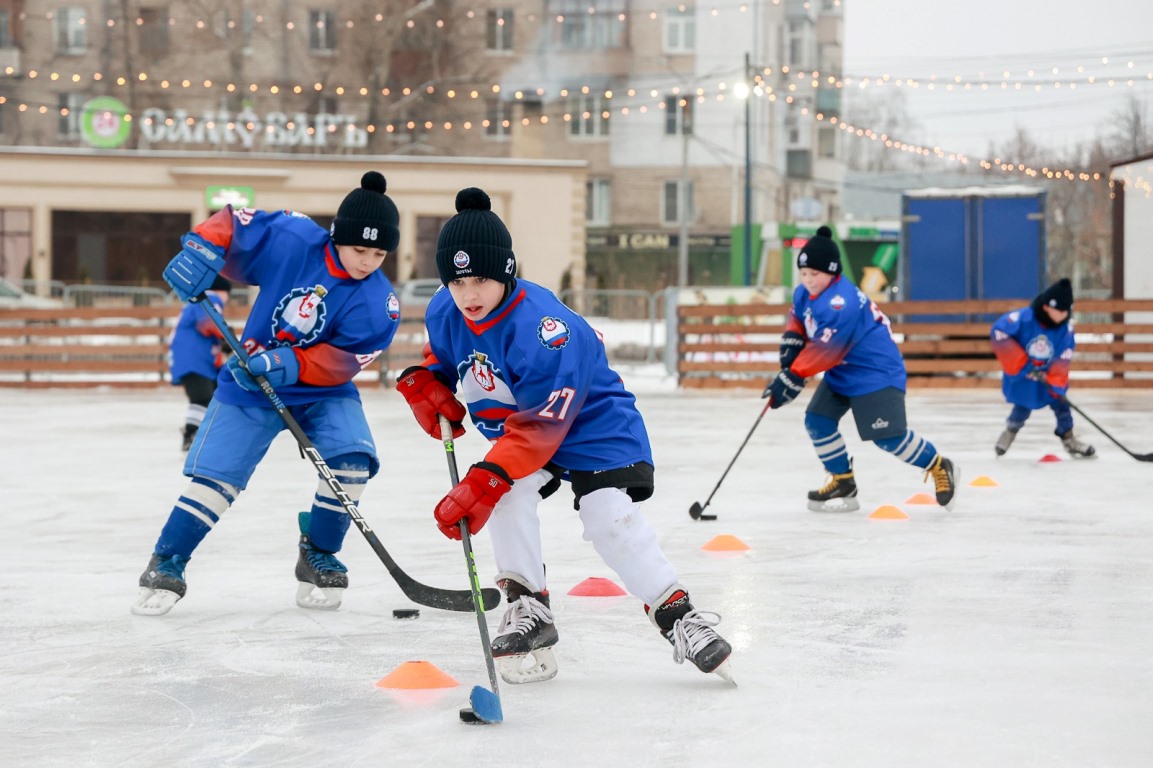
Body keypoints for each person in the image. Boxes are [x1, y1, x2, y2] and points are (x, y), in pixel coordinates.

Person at [395, 188, 732, 683]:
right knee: (506, 495)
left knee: (606, 516)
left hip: (592, 424)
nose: (469, 294)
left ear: (507, 272)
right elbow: (447, 358)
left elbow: (542, 426)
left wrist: (487, 477)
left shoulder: (544, 329)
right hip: (525, 429)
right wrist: (430, 381)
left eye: (481, 279)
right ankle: (530, 607)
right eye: (457, 280)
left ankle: (679, 616)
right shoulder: (446, 311)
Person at [132, 171, 403, 616]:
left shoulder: (378, 302)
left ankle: (318, 551)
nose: (368, 262)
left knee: (352, 461)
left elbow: (344, 360)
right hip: (248, 382)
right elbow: (236, 223)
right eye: (359, 249)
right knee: (217, 480)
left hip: (321, 391)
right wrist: (202, 248)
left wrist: (285, 364)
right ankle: (168, 560)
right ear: (337, 237)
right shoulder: (294, 239)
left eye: (378, 253)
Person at [761, 226, 958, 512]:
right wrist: (790, 347)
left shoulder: (842, 301)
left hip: (874, 373)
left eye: (814, 274)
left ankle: (939, 465)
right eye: (804, 274)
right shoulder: (805, 293)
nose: (808, 280)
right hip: (842, 371)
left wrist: (792, 375)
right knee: (818, 421)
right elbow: (798, 319)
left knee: (888, 438)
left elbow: (828, 349)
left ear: (832, 272)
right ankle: (843, 481)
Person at [990, 278, 1095, 458]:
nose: (1063, 315)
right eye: (1059, 310)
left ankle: (1069, 439)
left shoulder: (1066, 330)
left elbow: (1063, 356)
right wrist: (1022, 364)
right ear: (1047, 307)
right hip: (1024, 376)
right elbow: (999, 332)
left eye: (1066, 311)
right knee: (1022, 407)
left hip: (1047, 376)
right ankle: (1011, 431)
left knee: (1062, 405)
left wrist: (1056, 382)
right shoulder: (1023, 319)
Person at [168, 275, 233, 451]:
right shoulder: (210, 298)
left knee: (215, 396)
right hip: (194, 360)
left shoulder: (198, 301)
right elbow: (208, 323)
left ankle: (207, 434)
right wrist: (227, 338)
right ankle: (191, 434)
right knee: (203, 397)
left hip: (198, 361)